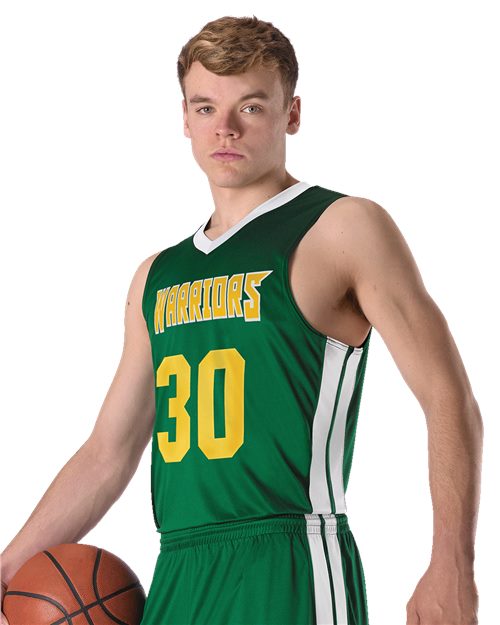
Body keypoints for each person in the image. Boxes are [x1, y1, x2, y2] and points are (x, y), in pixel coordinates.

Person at [1, 14, 482, 625]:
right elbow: (108, 452)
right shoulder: (157, 276)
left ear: (292, 114)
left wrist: (452, 563)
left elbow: (448, 396)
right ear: (184, 118)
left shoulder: (343, 227)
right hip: (178, 571)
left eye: (250, 107)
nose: (224, 128)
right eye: (205, 108)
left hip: (289, 561)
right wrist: (8, 568)